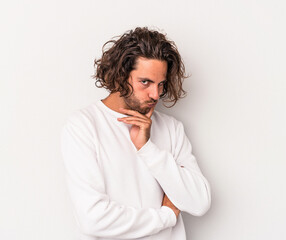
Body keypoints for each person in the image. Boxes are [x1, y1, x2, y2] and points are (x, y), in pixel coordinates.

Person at [61, 27, 211, 240]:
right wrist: (166, 216)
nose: (155, 94)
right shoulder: (83, 126)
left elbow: (199, 202)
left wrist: (147, 149)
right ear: (120, 75)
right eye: (145, 82)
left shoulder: (171, 128)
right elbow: (92, 219)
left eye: (160, 84)